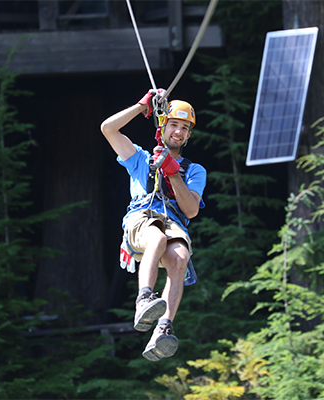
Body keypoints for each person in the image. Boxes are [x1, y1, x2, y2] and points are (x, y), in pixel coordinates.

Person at [100, 90, 206, 361]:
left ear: (188, 135)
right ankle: (144, 299)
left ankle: (163, 327)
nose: (179, 132)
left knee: (180, 256)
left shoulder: (194, 170)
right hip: (143, 218)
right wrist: (139, 106)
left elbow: (191, 210)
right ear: (163, 126)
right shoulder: (140, 158)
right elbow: (108, 129)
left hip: (173, 223)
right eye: (174, 124)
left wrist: (173, 173)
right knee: (156, 239)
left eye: (184, 128)